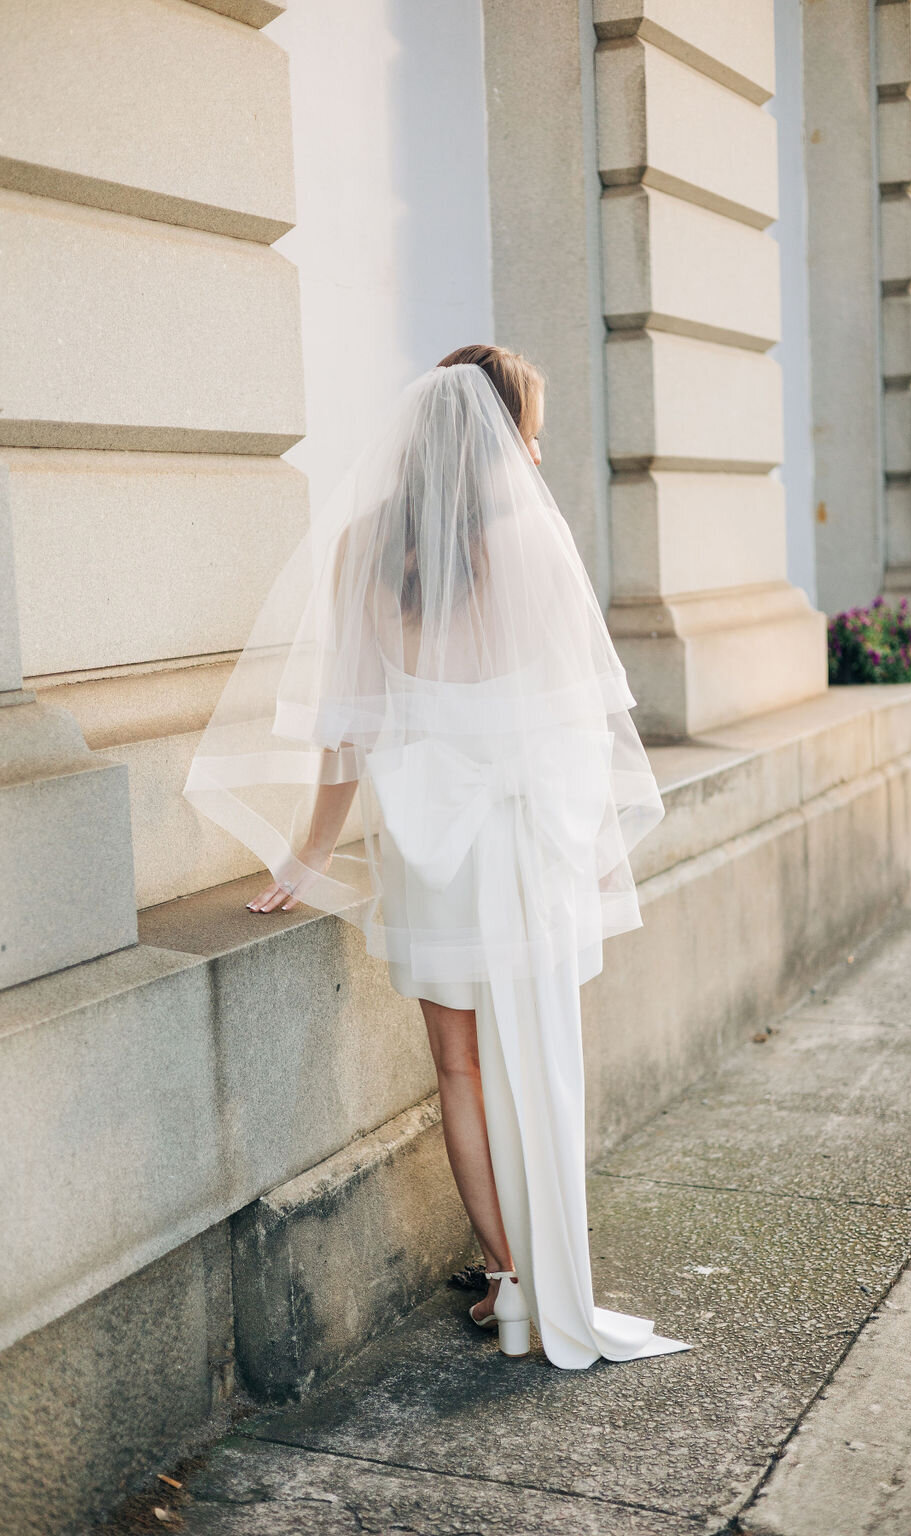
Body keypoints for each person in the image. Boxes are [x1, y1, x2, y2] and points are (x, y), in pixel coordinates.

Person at [184, 344, 691, 1368]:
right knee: (539, 1058)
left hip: (433, 840)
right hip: (527, 832)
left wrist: (306, 852)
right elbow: (576, 714)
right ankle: (553, 1282)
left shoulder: (363, 548)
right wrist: (590, 836)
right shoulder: (532, 544)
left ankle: (507, 1282)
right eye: (529, 433)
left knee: (456, 1065)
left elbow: (348, 730)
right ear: (498, 437)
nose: (535, 455)